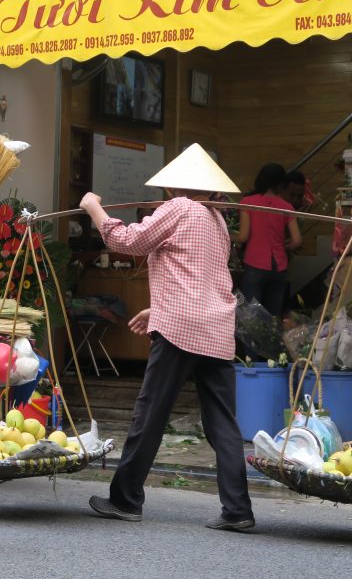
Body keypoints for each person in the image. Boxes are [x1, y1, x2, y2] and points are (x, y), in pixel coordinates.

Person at [81, 143, 255, 532]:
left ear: (175, 186)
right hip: (216, 329)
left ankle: (125, 499)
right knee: (223, 423)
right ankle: (238, 509)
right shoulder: (217, 220)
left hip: (181, 330)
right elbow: (198, 278)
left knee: (150, 414)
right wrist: (157, 310)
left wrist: (93, 207)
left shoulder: (177, 209)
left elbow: (126, 242)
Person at [235, 163, 302, 321]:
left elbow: (243, 237)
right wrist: (285, 246)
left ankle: (252, 347)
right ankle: (272, 345)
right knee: (273, 316)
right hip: (279, 267)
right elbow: (297, 241)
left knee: (251, 318)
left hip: (254, 265)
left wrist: (226, 233)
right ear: (280, 183)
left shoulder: (247, 202)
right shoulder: (287, 207)